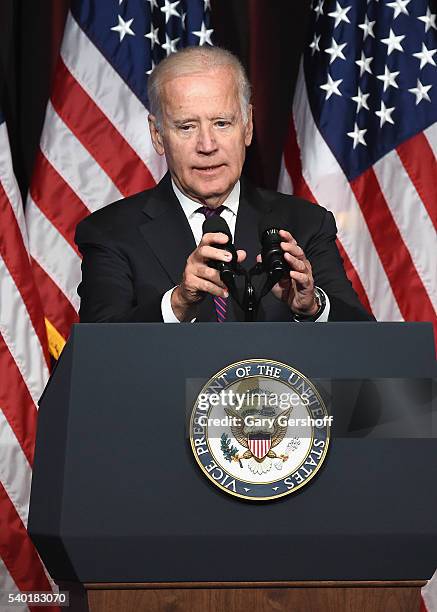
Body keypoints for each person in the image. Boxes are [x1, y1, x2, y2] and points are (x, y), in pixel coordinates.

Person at [75, 46, 373, 323]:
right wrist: (177, 304)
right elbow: (99, 357)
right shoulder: (110, 234)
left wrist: (313, 307)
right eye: (187, 126)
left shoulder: (306, 224)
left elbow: (366, 347)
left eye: (222, 123)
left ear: (248, 126)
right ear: (157, 135)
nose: (207, 145)